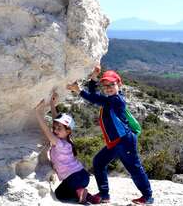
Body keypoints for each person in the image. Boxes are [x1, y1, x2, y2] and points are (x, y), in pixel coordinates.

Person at [66, 66, 154, 205]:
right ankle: (104, 195)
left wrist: (79, 91)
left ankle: (148, 196)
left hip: (125, 141)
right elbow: (94, 94)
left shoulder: (116, 100)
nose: (108, 88)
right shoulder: (110, 99)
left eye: (112, 84)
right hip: (116, 142)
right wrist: (94, 78)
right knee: (98, 162)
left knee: (134, 168)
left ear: (119, 84)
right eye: (105, 85)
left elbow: (95, 98)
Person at [34, 93, 91, 204]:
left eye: (59, 128)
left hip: (74, 178)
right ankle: (88, 196)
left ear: (68, 130)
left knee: (60, 195)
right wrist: (52, 104)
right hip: (82, 175)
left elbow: (46, 130)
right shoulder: (68, 140)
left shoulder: (58, 143)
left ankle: (79, 194)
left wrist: (38, 113)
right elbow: (57, 121)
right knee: (70, 190)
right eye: (54, 128)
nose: (55, 130)